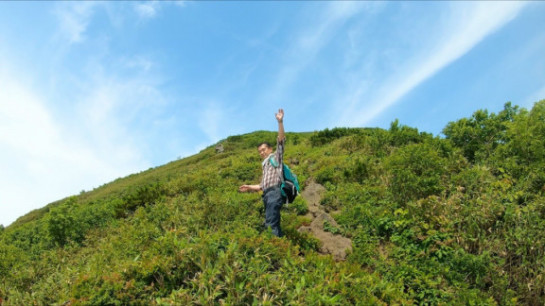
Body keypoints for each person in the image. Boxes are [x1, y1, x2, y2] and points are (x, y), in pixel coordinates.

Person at [239, 109, 286, 237]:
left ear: (270, 149)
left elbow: (281, 141)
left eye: (263, 150)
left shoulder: (276, 157)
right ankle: (282, 246)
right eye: (259, 151)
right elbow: (261, 186)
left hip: (274, 193)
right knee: (273, 222)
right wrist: (249, 187)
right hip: (266, 194)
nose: (261, 152)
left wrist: (280, 122)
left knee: (270, 224)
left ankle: (275, 249)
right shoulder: (265, 165)